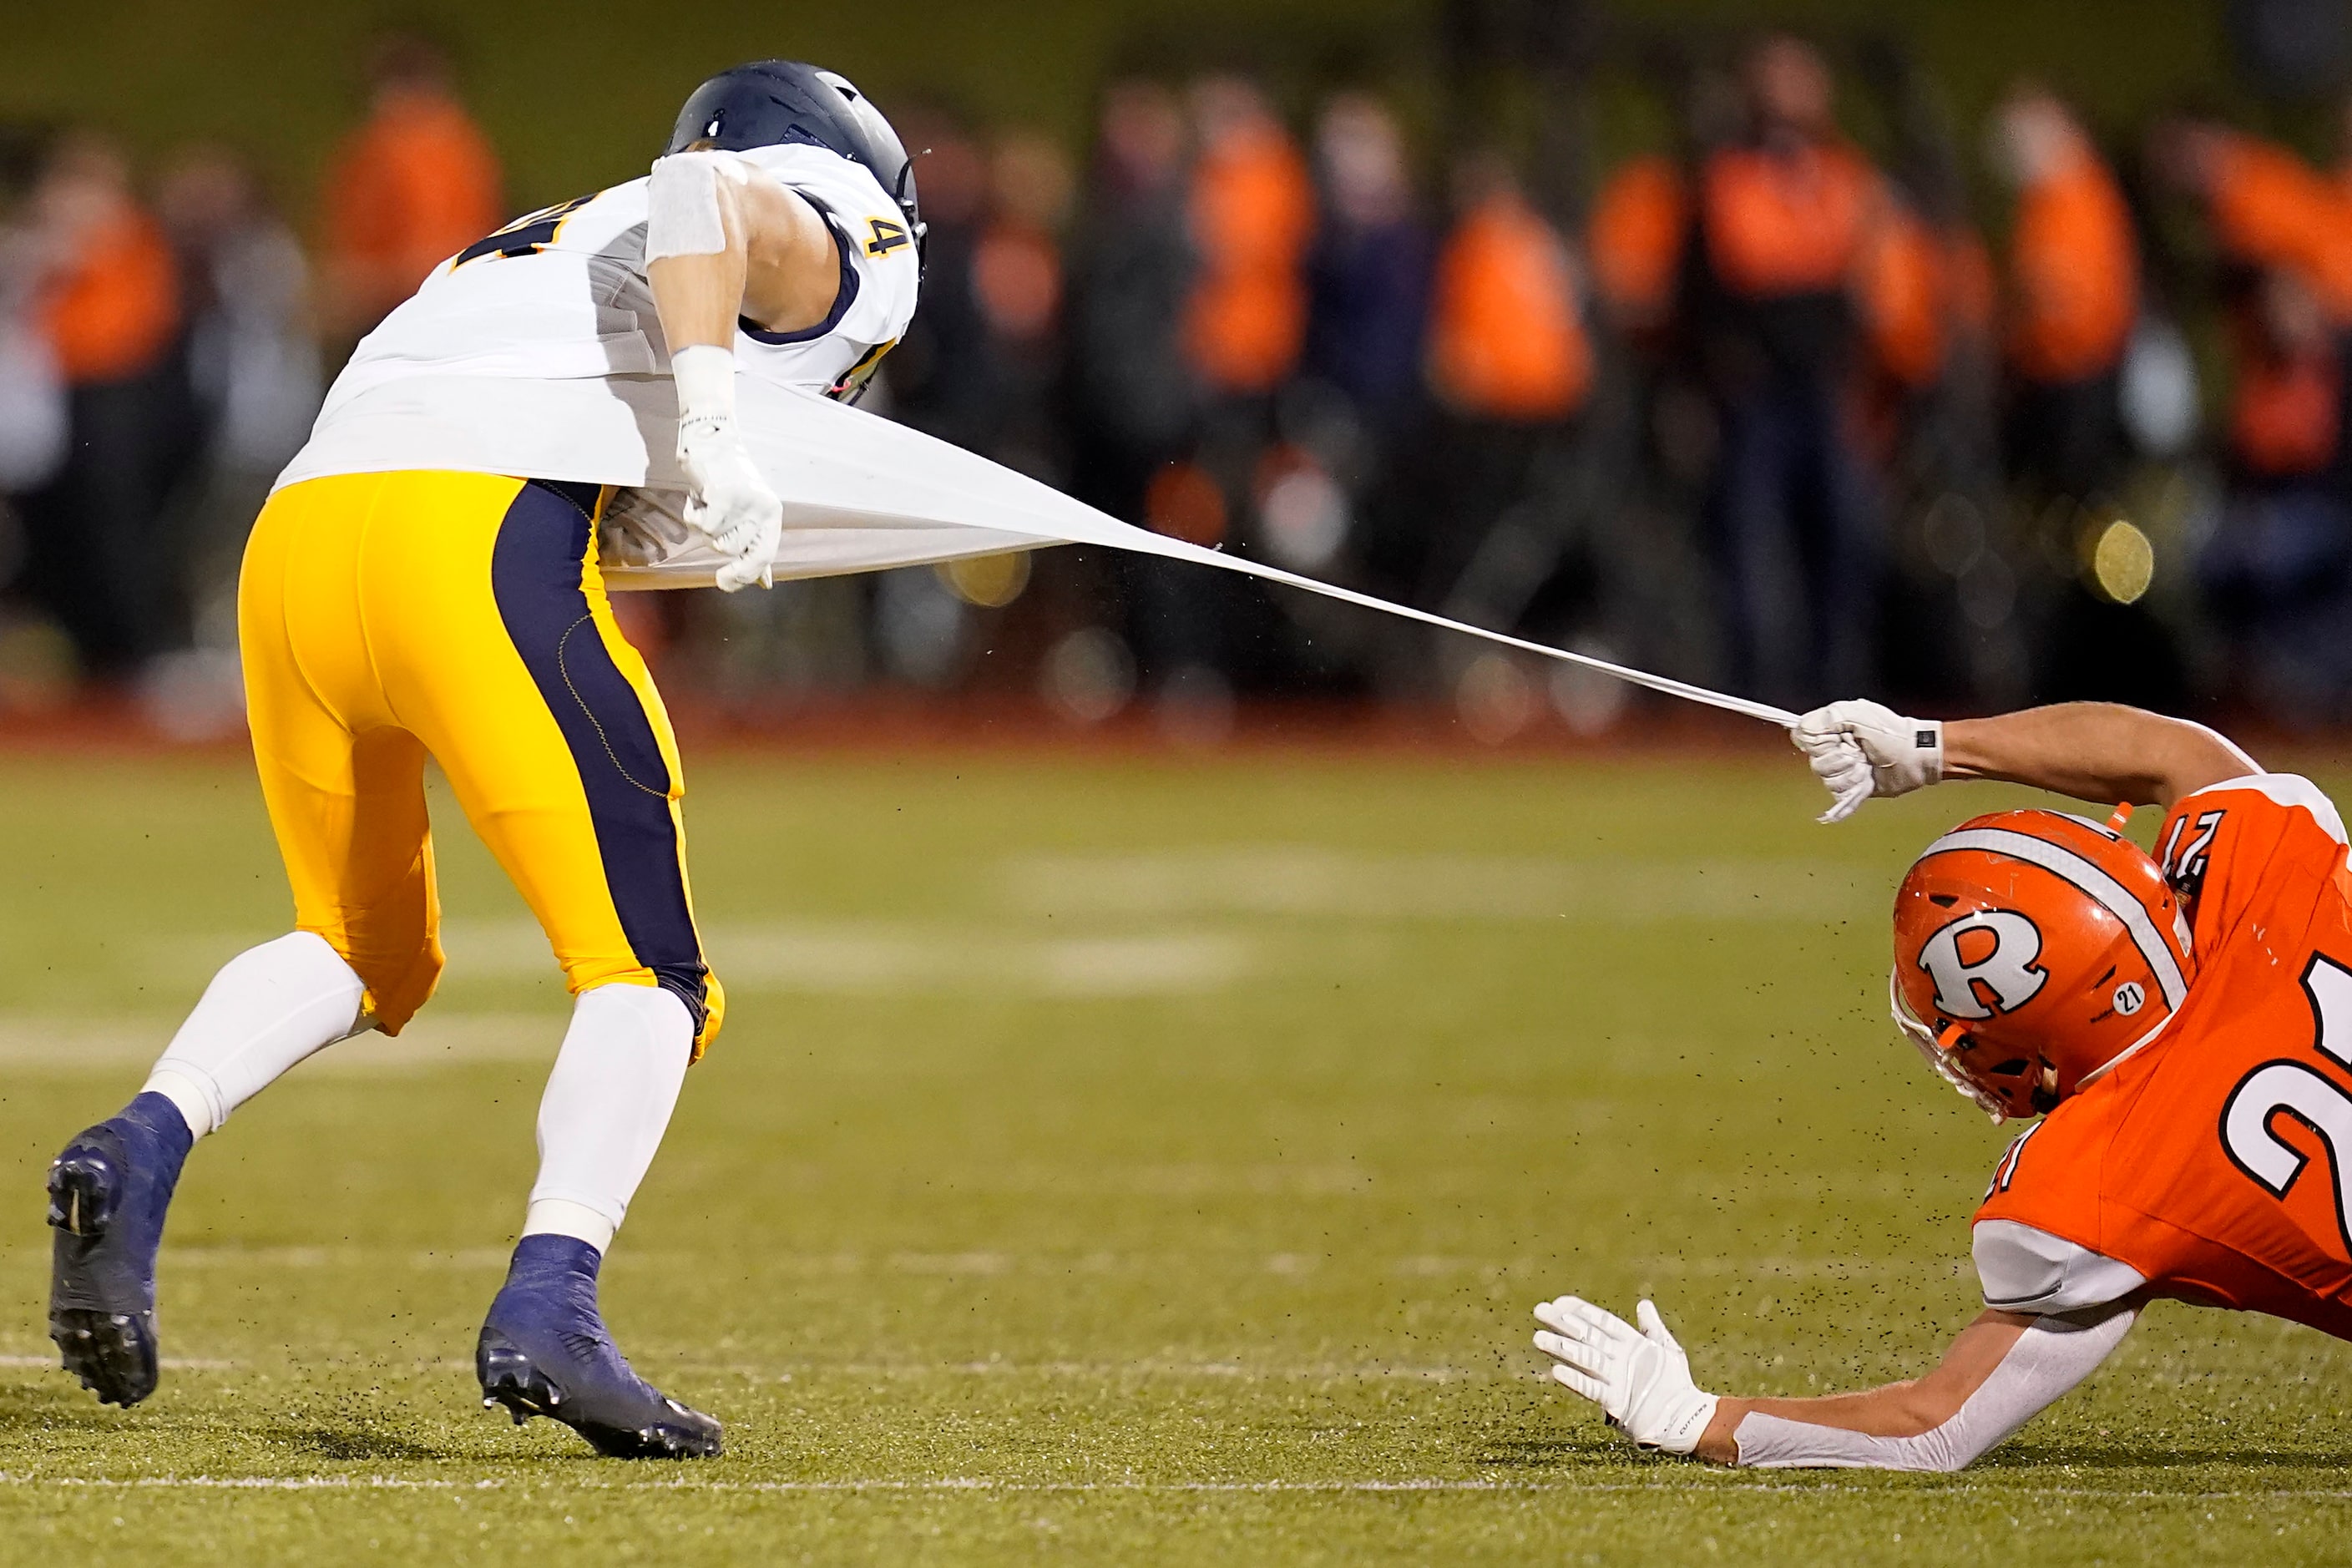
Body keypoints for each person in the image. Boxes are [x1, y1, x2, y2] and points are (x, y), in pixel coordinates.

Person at [44, 60, 923, 1460]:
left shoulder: (542, 233)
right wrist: (703, 426)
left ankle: (142, 1142)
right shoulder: (829, 220)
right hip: (469, 538)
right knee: (650, 971)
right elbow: (711, 196)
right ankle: (553, 1301)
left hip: (302, 545)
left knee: (360, 945)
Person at [1535, 696, 2352, 1469]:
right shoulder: (2272, 875)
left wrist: (1696, 1416)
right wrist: (1931, 747)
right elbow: (2172, 751)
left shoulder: (2110, 1173)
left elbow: (1935, 1426)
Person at [319, 32, 502, 348]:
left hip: (416, 315)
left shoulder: (443, 153)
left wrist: (359, 286)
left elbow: (437, 255)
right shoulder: (376, 148)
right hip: (390, 312)